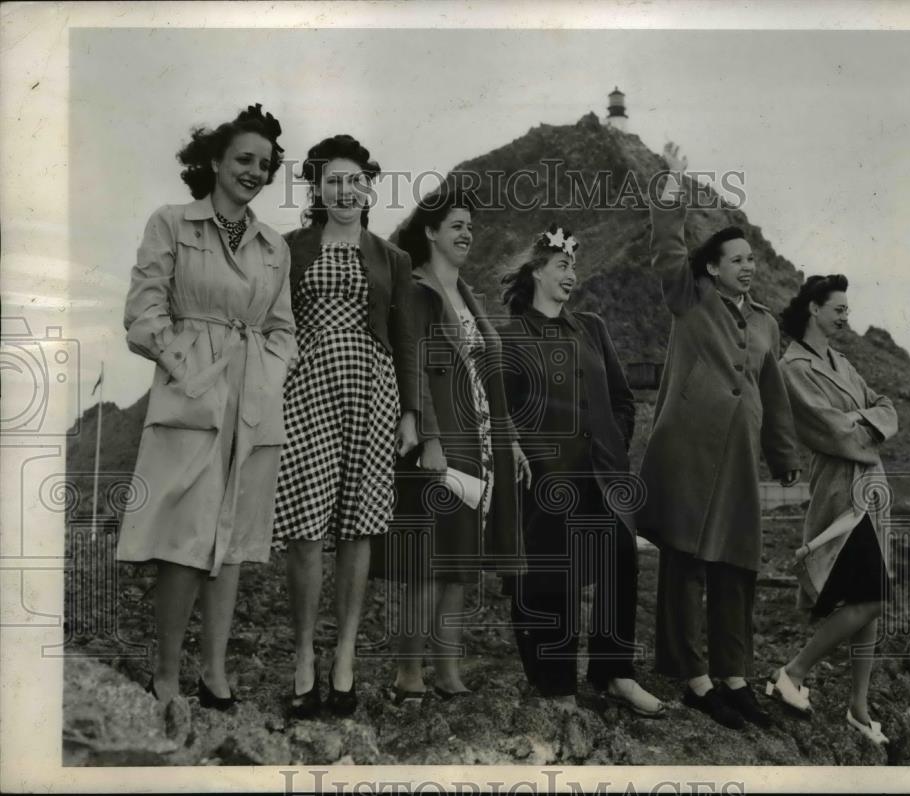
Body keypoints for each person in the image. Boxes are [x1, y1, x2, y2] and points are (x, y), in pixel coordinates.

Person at [118, 104, 295, 707]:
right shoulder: (171, 222)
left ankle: (214, 674)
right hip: (191, 392)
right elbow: (142, 314)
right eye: (243, 159)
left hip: (252, 398)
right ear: (215, 160)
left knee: (237, 537)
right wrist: (188, 369)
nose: (253, 171)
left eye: (265, 165)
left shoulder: (275, 246)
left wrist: (266, 378)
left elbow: (282, 329)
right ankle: (166, 673)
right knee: (184, 534)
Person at [638, 145, 801, 730]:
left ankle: (735, 676)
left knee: (737, 563)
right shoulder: (692, 298)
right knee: (685, 560)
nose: (748, 266)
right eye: (736, 259)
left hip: (737, 460)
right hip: (686, 452)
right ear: (712, 268)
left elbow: (772, 392)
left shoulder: (764, 322)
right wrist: (670, 194)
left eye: (752, 259)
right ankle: (697, 680)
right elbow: (666, 251)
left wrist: (782, 455)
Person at [272, 135, 419, 718]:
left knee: (360, 526)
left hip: (372, 391)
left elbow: (406, 340)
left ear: (368, 186)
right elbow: (274, 322)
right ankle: (304, 655)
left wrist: (411, 413)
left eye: (353, 180)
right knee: (306, 527)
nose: (343, 190)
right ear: (316, 188)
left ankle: (345, 658)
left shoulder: (392, 257)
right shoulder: (288, 248)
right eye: (331, 180)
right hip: (305, 390)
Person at [498, 224, 666, 717]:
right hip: (548, 479)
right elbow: (501, 410)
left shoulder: (590, 326)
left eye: (574, 266)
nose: (572, 274)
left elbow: (620, 398)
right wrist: (532, 456)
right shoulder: (511, 337)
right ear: (536, 272)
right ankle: (556, 686)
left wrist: (612, 443)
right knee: (554, 578)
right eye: (562, 265)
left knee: (619, 563)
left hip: (604, 475)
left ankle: (616, 674)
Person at [374, 186, 529, 704]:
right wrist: (431, 439)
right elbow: (411, 363)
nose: (466, 233)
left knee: (460, 563)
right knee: (425, 564)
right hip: (441, 439)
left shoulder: (468, 296)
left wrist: (512, 444)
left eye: (470, 226)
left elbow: (490, 376)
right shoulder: (416, 289)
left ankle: (447, 671)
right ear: (430, 232)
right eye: (456, 225)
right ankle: (408, 674)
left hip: (481, 439)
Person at [770, 274, 897, 746]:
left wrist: (861, 420)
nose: (846, 316)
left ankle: (858, 710)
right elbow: (831, 432)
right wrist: (865, 425)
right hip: (840, 492)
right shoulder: (794, 367)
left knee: (870, 600)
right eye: (839, 309)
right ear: (814, 310)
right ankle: (792, 672)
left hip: (871, 490)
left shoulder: (841, 362)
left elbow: (886, 409)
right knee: (870, 598)